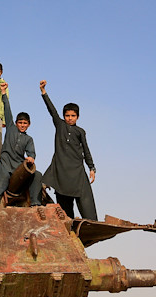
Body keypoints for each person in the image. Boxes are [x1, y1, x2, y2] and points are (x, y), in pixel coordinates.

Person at [39, 80, 98, 220]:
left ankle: (91, 223)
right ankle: (68, 222)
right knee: (64, 203)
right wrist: (43, 92)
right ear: (64, 116)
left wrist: (92, 168)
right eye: (67, 115)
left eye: (73, 116)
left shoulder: (80, 131)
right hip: (61, 169)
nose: (70, 118)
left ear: (77, 116)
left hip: (77, 169)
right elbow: (51, 110)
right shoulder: (60, 125)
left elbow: (86, 150)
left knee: (85, 198)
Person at [0, 82, 42, 208]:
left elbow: (31, 153)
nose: (22, 125)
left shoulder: (29, 139)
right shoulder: (11, 128)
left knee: (37, 175)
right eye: (20, 122)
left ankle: (36, 204)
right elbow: (7, 109)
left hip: (18, 164)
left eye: (25, 123)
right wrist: (3, 93)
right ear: (16, 123)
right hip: (5, 162)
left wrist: (31, 158)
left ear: (29, 124)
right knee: (1, 176)